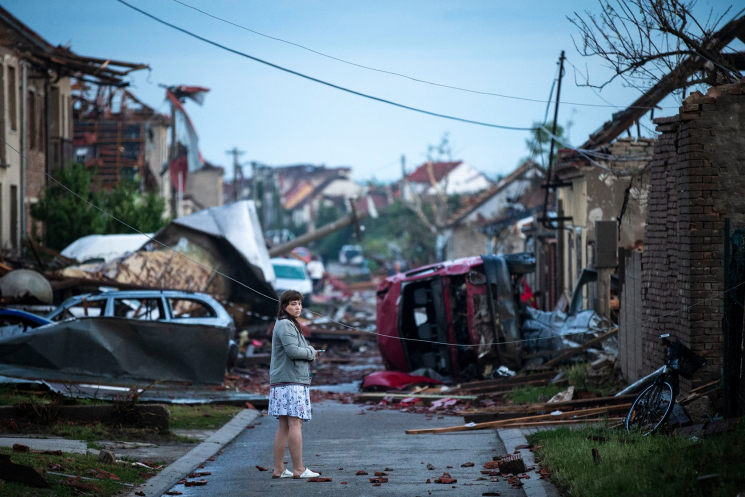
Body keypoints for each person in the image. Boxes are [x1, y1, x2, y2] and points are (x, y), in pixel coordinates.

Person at [269, 290, 320, 479]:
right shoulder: (285, 325)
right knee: (294, 423)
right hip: (291, 382)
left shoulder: (285, 324)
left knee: (284, 425)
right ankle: (298, 468)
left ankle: (279, 469)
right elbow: (293, 351)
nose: (297, 307)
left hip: (284, 381)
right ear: (284, 306)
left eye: (299, 303)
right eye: (293, 304)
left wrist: (308, 352)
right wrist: (311, 352)